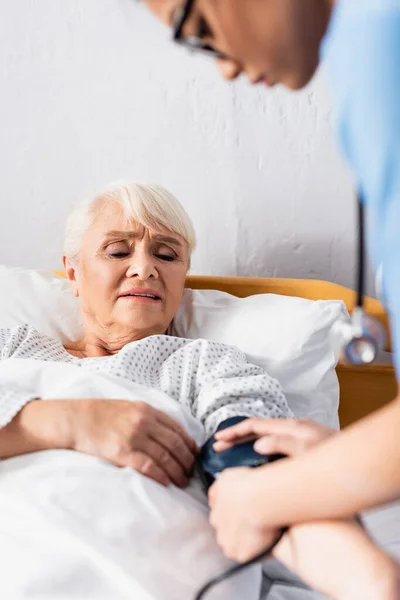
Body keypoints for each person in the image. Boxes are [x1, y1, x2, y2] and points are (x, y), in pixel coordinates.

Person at [142, 1, 400, 597]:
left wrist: (269, 494)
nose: (225, 69)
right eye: (114, 249)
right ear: (70, 273)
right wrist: (337, 467)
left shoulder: (381, 41)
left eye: (199, 28)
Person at [0, 180, 293, 483]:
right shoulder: (15, 346)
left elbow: (259, 443)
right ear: (73, 273)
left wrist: (241, 470)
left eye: (166, 255)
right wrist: (77, 422)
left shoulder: (205, 364)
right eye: (117, 252)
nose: (144, 268)